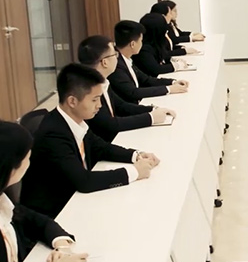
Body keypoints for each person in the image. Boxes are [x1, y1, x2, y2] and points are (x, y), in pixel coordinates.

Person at [20, 64, 160, 218]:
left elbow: (101, 147)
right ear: (72, 101)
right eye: (94, 100)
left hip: (76, 199)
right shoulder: (52, 134)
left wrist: (136, 155)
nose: (99, 105)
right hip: (56, 212)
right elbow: (84, 181)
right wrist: (134, 172)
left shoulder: (74, 119)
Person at [0, 122, 89, 262]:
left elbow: (36, 221)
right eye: (27, 158)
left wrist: (62, 246)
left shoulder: (4, 199)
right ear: (10, 167)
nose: (30, 162)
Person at [77, 35, 176, 143]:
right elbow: (110, 124)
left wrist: (152, 109)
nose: (117, 57)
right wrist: (150, 118)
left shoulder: (103, 81)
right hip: (106, 143)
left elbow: (121, 106)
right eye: (115, 54)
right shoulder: (88, 90)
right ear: (105, 62)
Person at [110, 20, 189, 104]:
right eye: (141, 40)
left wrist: (172, 82)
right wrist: (168, 89)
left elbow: (146, 80)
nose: (142, 44)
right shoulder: (115, 64)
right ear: (132, 44)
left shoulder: (126, 59)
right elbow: (133, 92)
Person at [135, 12, 191, 77]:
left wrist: (173, 60)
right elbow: (156, 69)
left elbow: (163, 54)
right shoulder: (144, 49)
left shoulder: (154, 43)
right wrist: (177, 65)